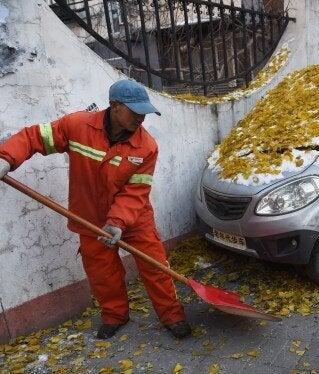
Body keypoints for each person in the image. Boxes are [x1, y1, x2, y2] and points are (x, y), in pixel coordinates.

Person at [0, 80, 191, 340]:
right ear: (114, 106)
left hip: (134, 220)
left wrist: (117, 222)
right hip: (88, 217)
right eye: (135, 111)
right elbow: (34, 137)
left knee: (155, 268)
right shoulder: (77, 126)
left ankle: (173, 316)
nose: (141, 117)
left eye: (145, 111)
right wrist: (6, 158)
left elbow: (135, 192)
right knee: (103, 274)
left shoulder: (146, 147)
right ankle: (115, 316)